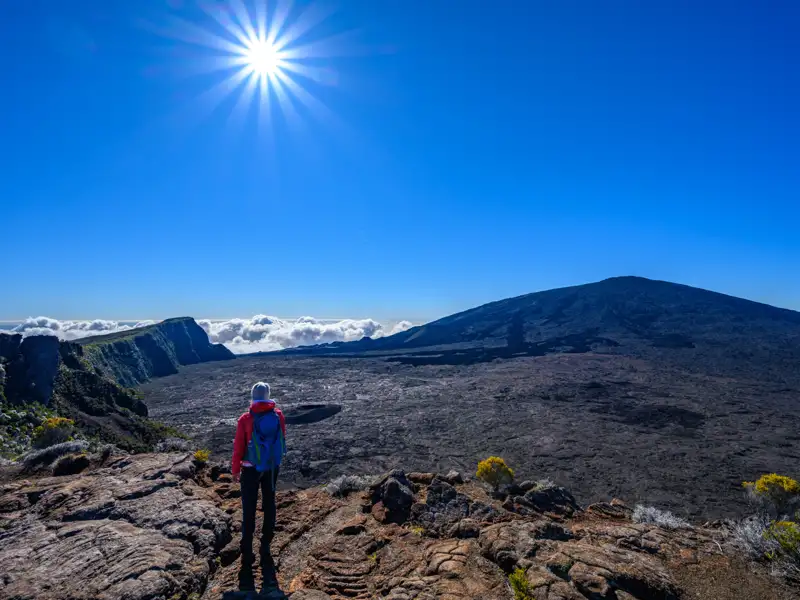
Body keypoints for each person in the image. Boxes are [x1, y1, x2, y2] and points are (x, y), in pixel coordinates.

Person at [232, 381, 287, 593]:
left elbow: (239, 446)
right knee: (270, 502)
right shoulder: (278, 415)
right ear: (268, 395)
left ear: (253, 396)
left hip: (250, 469)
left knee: (249, 509)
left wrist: (236, 469)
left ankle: (247, 552)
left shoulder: (245, 419)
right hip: (272, 467)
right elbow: (281, 438)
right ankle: (266, 545)